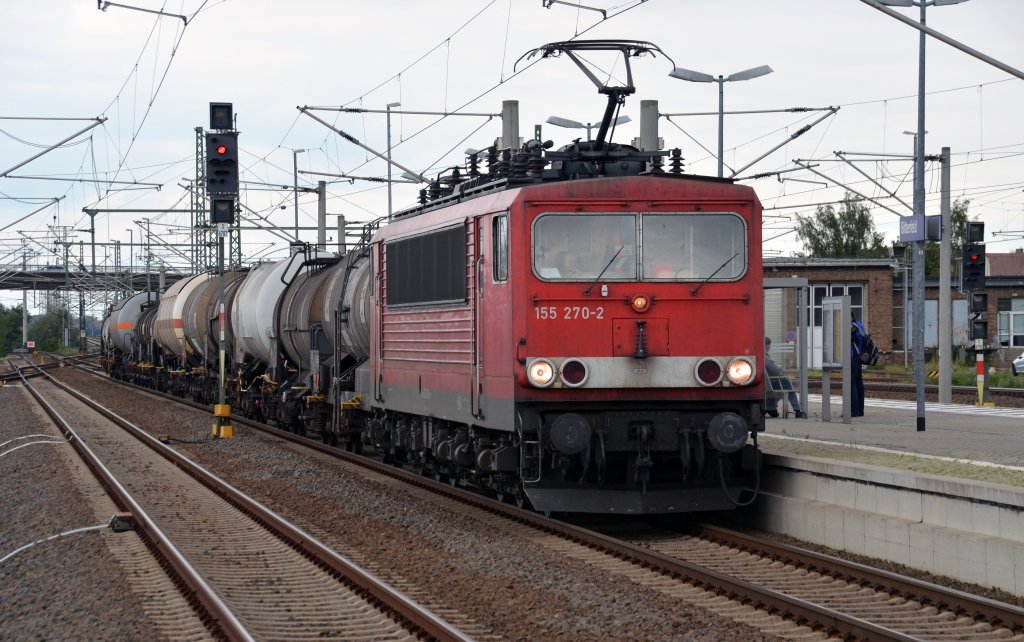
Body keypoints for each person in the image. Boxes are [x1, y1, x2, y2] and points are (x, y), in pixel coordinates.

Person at [764, 337, 805, 419]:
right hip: (773, 382)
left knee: (780, 386)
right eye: (769, 345)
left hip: (768, 383)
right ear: (767, 346)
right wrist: (783, 372)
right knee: (788, 387)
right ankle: (797, 410)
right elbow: (775, 370)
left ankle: (771, 408)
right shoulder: (765, 357)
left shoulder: (760, 355)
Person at [850, 312, 867, 417]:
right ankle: (860, 410)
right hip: (859, 358)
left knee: (851, 385)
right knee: (859, 384)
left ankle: (853, 410)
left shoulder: (852, 327)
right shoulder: (859, 324)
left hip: (852, 358)